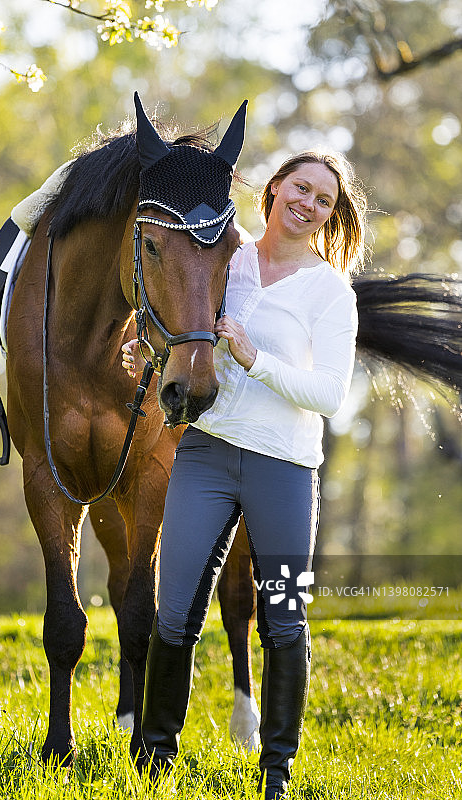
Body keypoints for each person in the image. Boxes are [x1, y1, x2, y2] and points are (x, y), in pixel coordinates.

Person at [121, 150, 367, 799]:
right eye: (300, 187)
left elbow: (329, 394)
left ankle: (275, 771)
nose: (308, 203)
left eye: (323, 199)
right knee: (174, 614)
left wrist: (254, 359)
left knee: (283, 617)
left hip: (282, 467)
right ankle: (154, 763)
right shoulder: (225, 259)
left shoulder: (328, 291)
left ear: (329, 215)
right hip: (205, 454)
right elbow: (185, 324)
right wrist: (147, 343)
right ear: (275, 188)